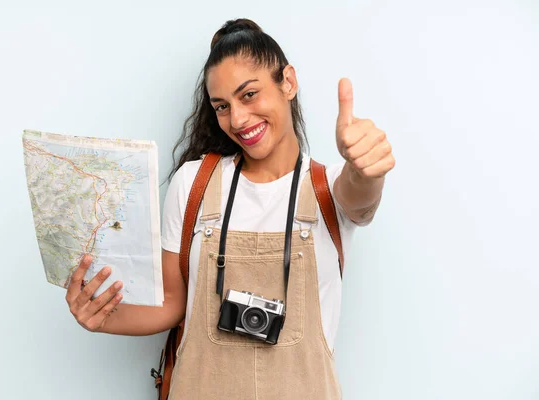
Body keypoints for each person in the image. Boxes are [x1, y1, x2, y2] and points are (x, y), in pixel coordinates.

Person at [65, 18, 394, 399]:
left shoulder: (328, 189)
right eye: (222, 106)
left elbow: (360, 197)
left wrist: (366, 168)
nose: (237, 119)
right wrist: (101, 317)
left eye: (249, 95)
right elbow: (173, 304)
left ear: (287, 82)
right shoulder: (194, 183)